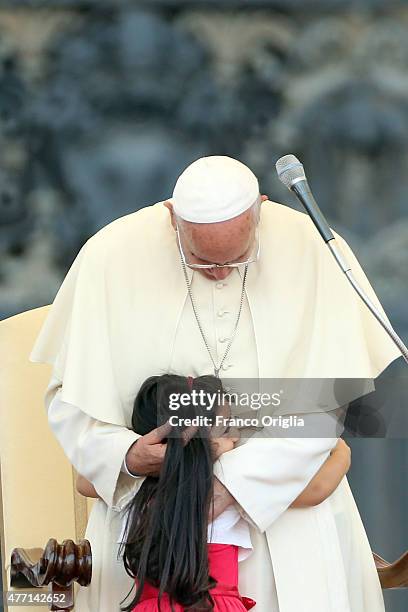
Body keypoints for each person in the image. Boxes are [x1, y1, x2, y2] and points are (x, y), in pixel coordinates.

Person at [29, 155, 401, 611]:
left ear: (261, 210)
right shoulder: (110, 253)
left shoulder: (313, 248)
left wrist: (228, 488)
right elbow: (70, 402)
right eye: (202, 258)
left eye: (238, 258)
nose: (221, 272)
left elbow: (329, 406)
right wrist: (126, 456)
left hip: (284, 522)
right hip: (151, 531)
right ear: (172, 218)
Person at [76, 373, 352, 611]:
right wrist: (341, 450)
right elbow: (318, 488)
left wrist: (142, 458)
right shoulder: (228, 491)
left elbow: (85, 481)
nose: (234, 437)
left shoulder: (135, 491)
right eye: (226, 428)